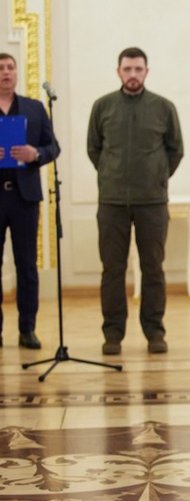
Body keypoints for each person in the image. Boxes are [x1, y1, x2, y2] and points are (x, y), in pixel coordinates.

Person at [87, 47, 183, 355]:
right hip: (112, 202)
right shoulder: (102, 106)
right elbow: (94, 149)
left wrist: (156, 178)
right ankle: (113, 333)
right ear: (118, 72)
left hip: (152, 202)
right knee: (112, 269)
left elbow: (175, 150)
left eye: (138, 69)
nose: (132, 75)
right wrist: (110, 175)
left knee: (152, 267)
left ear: (146, 71)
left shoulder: (163, 107)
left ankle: (154, 331)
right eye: (127, 69)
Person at [0, 53, 60, 350]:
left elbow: (54, 147)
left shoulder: (35, 109)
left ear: (17, 73)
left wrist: (35, 154)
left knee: (27, 266)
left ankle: (27, 329)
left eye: (11, 67)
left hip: (24, 198)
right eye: (0, 69)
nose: (6, 73)